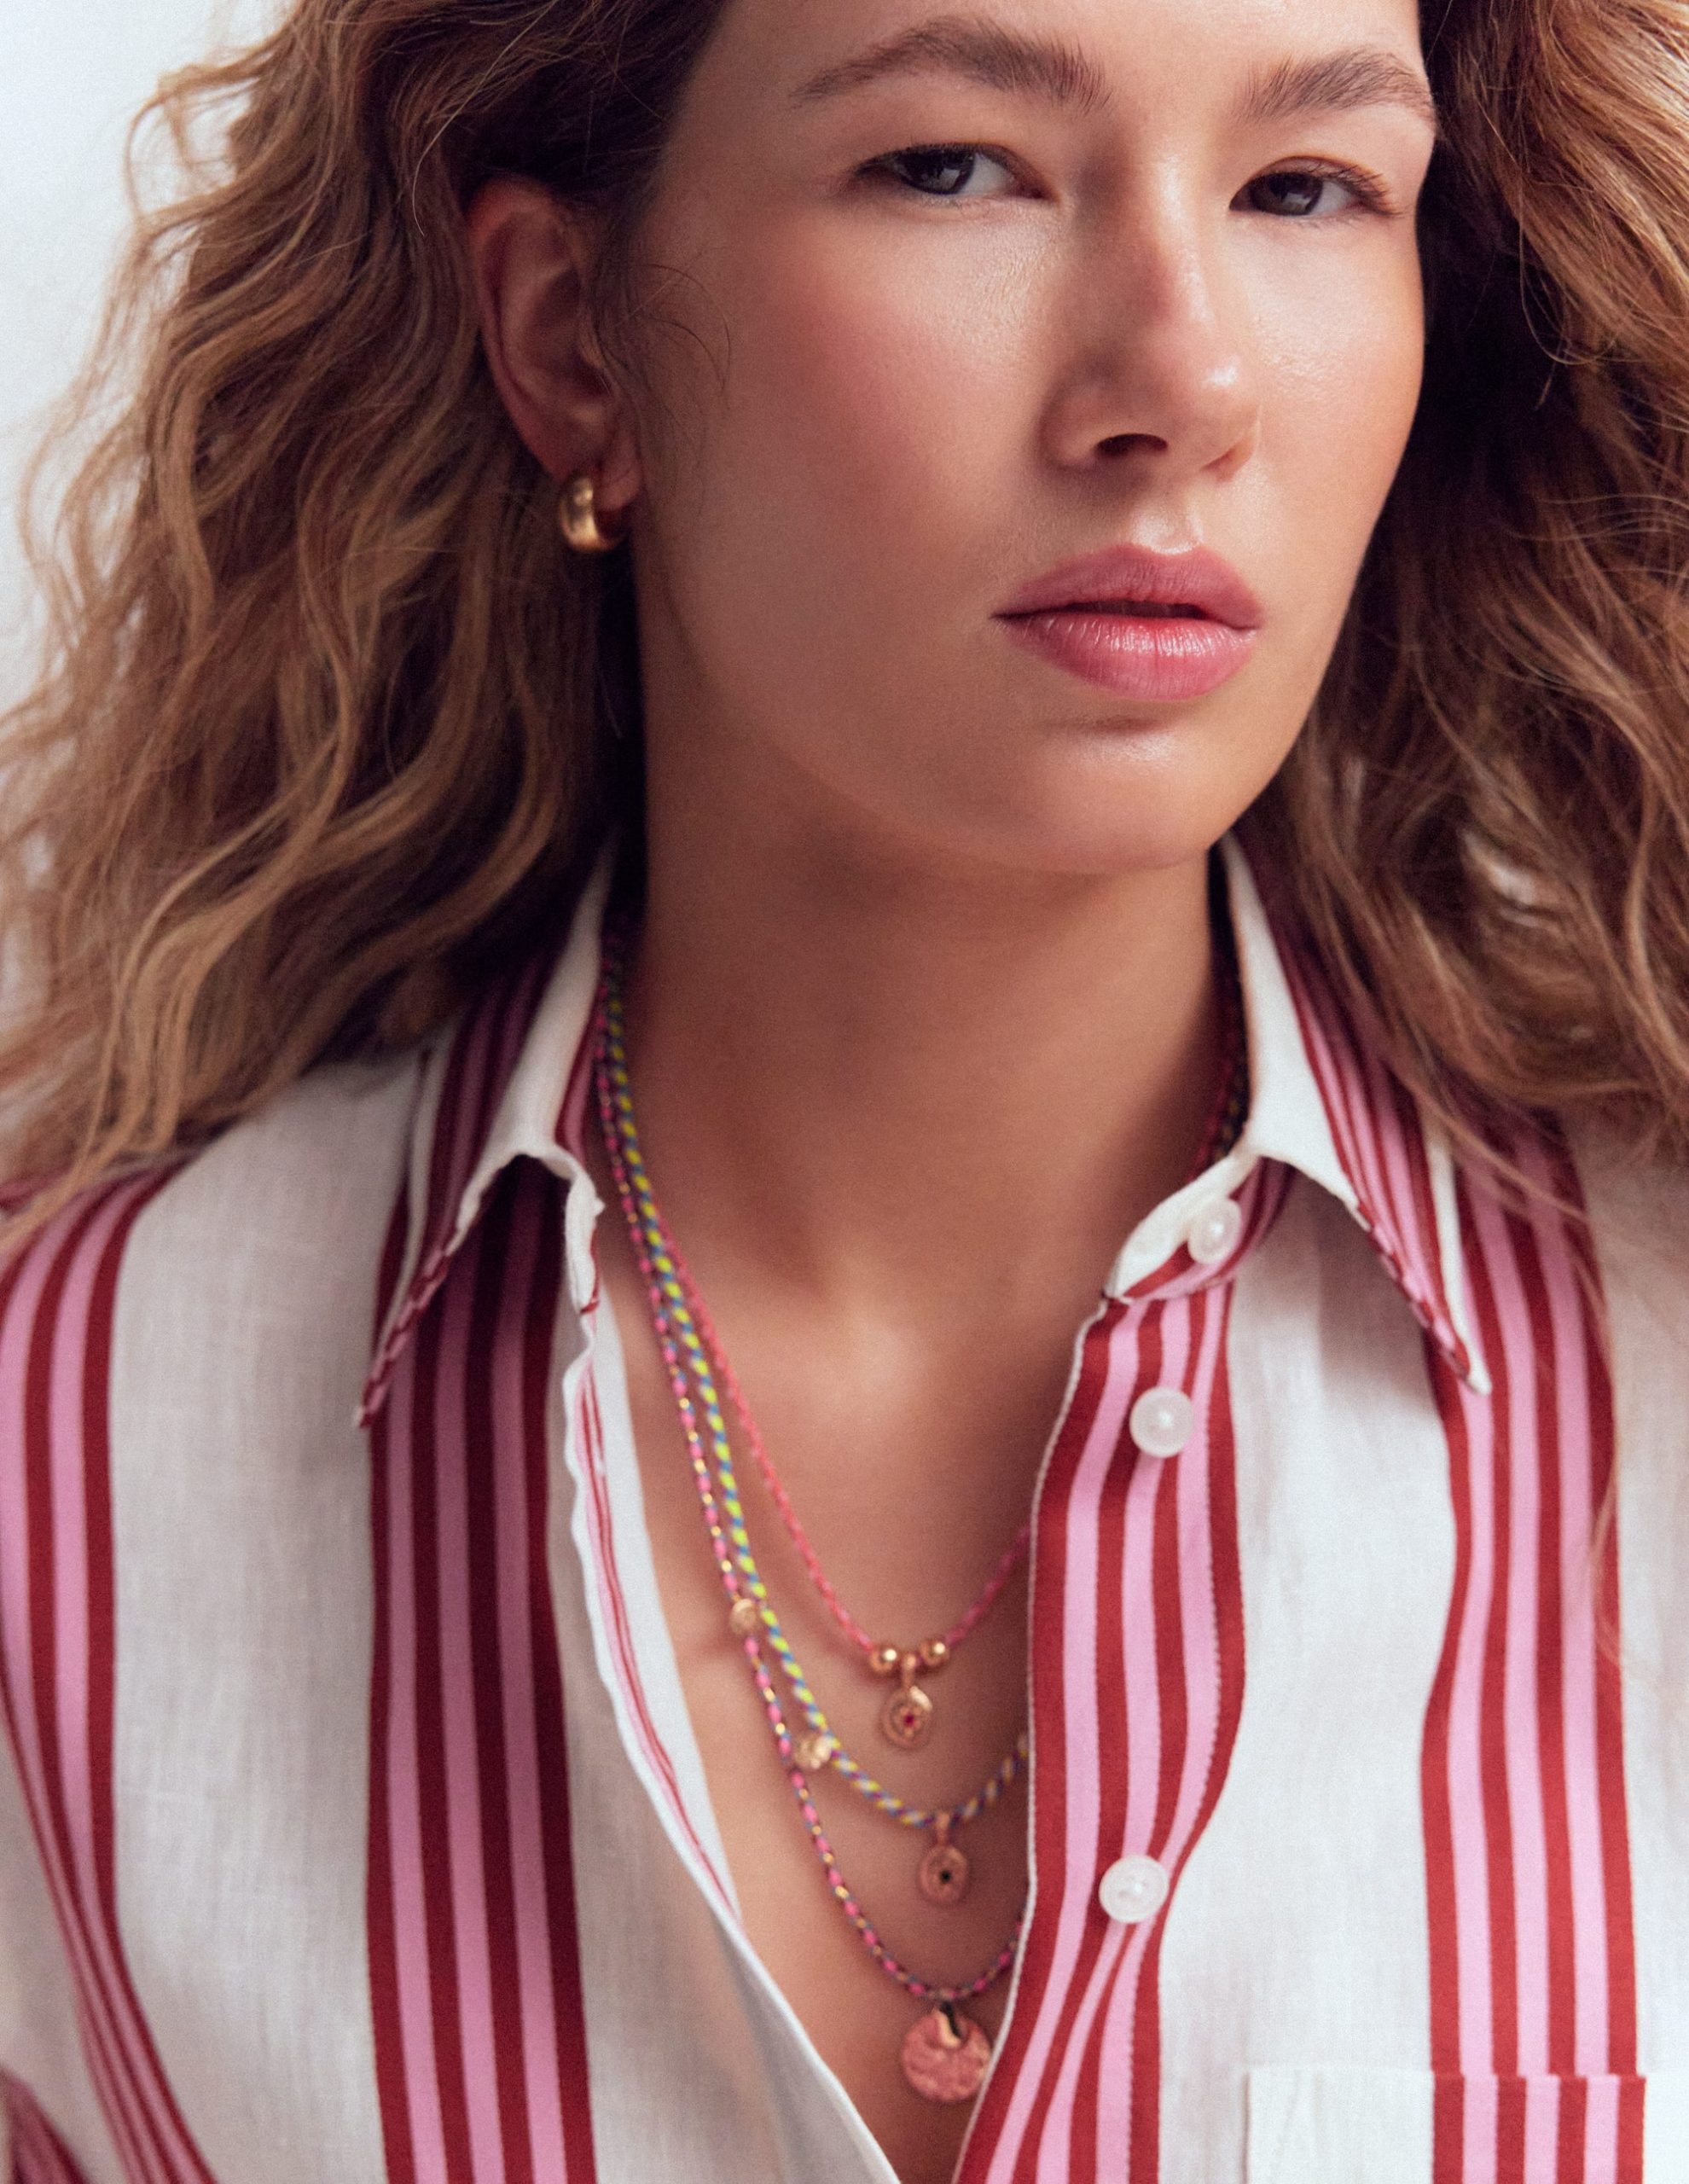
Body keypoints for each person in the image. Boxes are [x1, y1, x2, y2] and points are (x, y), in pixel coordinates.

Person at [1, 0, 1687, 2178]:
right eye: (953, 167)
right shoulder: (62, 1447)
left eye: (1304, 188)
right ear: (572, 337)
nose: (1185, 379)